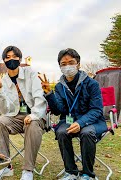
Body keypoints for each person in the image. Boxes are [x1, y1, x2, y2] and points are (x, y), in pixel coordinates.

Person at [39, 48, 107, 180]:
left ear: (78, 64)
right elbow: (59, 110)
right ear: (60, 67)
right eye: (63, 64)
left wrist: (80, 123)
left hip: (92, 121)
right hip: (69, 120)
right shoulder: (59, 87)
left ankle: (88, 174)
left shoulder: (92, 84)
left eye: (71, 62)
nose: (67, 67)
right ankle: (71, 172)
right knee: (61, 132)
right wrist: (49, 94)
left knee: (87, 133)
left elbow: (97, 110)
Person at [0, 46, 47, 180]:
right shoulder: (2, 80)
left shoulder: (30, 73)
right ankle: (5, 165)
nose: (11, 59)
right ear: (4, 60)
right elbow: (3, 110)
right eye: (7, 57)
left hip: (35, 115)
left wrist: (33, 115)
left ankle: (28, 170)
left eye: (14, 56)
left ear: (20, 59)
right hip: (15, 116)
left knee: (32, 124)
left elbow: (39, 97)